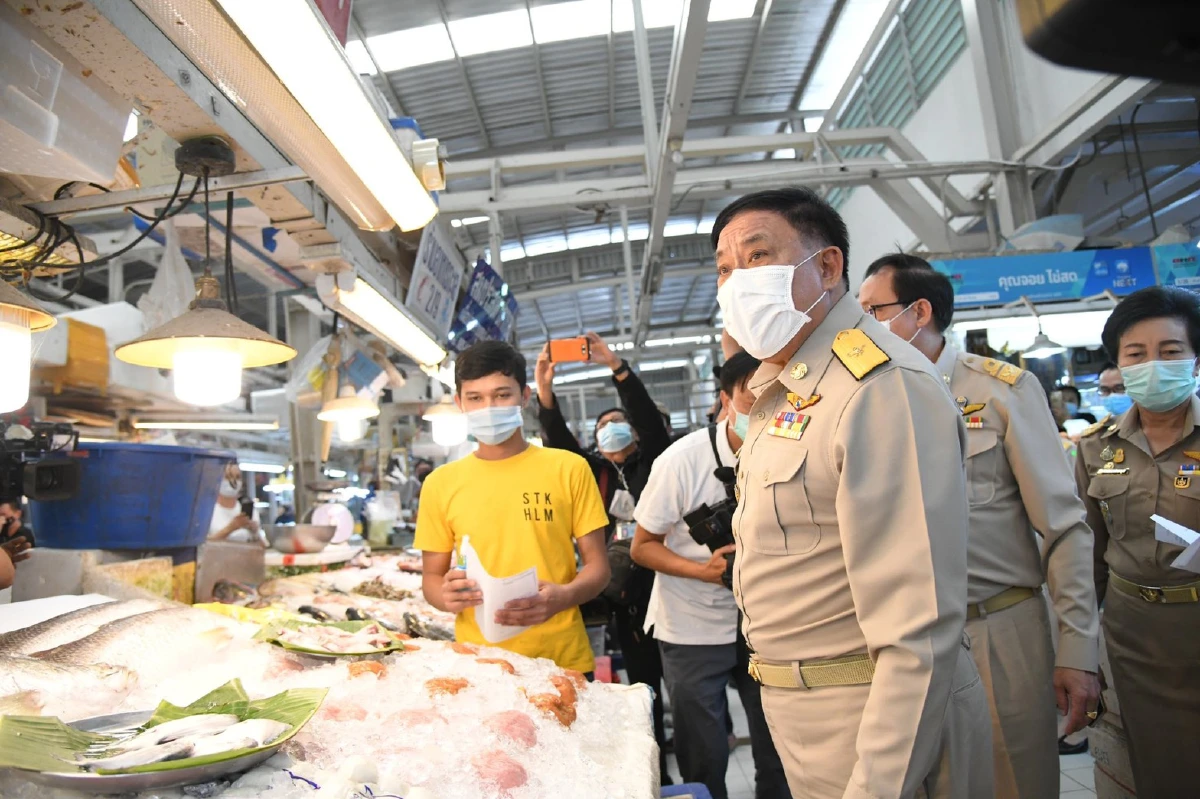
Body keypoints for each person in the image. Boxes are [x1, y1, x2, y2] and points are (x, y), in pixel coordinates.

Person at [713, 187, 992, 799]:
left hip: (872, 718)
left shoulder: (880, 385)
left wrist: (879, 782)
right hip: (805, 709)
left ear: (828, 266)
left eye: (758, 258)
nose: (737, 283)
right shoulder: (786, 391)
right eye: (725, 269)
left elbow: (917, 626)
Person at [859, 253, 1101, 799]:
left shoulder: (999, 391)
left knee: (1014, 780)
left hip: (996, 627)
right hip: (903, 638)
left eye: (872, 310)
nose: (860, 324)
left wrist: (1078, 651)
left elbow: (1064, 528)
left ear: (918, 312)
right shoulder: (866, 399)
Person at [631, 351, 791, 799]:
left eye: (775, 398)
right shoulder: (681, 461)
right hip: (692, 627)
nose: (763, 410)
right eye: (751, 398)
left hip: (771, 619)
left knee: (778, 743)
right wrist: (704, 570)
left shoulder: (793, 445)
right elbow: (643, 547)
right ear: (725, 400)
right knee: (703, 752)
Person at [415, 340, 611, 674]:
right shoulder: (439, 484)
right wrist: (444, 597)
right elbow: (432, 578)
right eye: (475, 398)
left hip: (563, 660)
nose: (488, 406)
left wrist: (564, 596)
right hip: (480, 665)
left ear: (525, 396)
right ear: (459, 402)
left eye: (502, 394)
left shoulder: (569, 468)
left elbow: (599, 569)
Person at [1074, 286, 1200, 799]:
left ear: (1195, 360)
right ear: (1119, 366)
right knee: (1162, 771)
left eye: (1170, 352)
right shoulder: (1095, 448)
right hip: (1137, 641)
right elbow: (1087, 560)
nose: (1153, 364)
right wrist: (1079, 651)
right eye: (1136, 354)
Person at [535, 330, 673, 775]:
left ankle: (696, 747)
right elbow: (559, 447)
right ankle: (655, 763)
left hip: (670, 581)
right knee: (643, 684)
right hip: (623, 595)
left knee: (689, 687)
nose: (609, 428)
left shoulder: (654, 459)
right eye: (600, 426)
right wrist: (545, 395)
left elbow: (650, 421)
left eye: (616, 421)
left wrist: (617, 368)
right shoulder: (593, 472)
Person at [207, 463, 264, 545]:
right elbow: (203, 546)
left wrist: (255, 532)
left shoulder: (250, 511)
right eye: (227, 477)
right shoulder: (207, 511)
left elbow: (262, 547)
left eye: (237, 477)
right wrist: (231, 528)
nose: (233, 481)